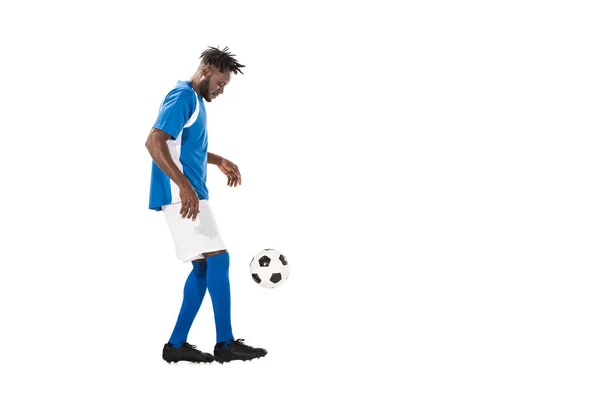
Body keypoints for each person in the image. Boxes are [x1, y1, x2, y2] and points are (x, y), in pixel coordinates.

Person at [145, 46, 267, 364]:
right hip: (183, 197)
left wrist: (218, 160)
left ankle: (175, 345)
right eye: (220, 84)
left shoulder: (195, 101)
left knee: (203, 267)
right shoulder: (183, 95)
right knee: (219, 259)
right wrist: (184, 186)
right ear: (207, 70)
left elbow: (183, 146)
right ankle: (225, 344)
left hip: (188, 194)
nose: (221, 91)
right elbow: (154, 141)